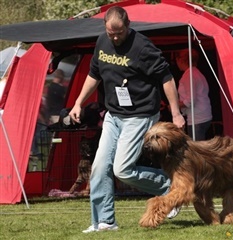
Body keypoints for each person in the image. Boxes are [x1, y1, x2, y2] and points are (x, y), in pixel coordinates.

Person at [68, 6, 185, 233]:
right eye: (111, 33)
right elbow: (94, 75)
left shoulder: (143, 47)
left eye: (119, 33)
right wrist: (78, 102)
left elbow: (167, 79)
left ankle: (170, 188)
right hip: (113, 115)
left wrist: (176, 113)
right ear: (105, 28)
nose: (114, 37)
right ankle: (105, 222)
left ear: (128, 26)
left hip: (140, 115)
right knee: (100, 167)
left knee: (122, 169)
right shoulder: (102, 42)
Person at [176, 49, 212, 140]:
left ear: (181, 60)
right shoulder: (196, 73)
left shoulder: (189, 75)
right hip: (203, 115)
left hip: (197, 118)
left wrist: (175, 106)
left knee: (196, 150)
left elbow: (191, 100)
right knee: (200, 146)